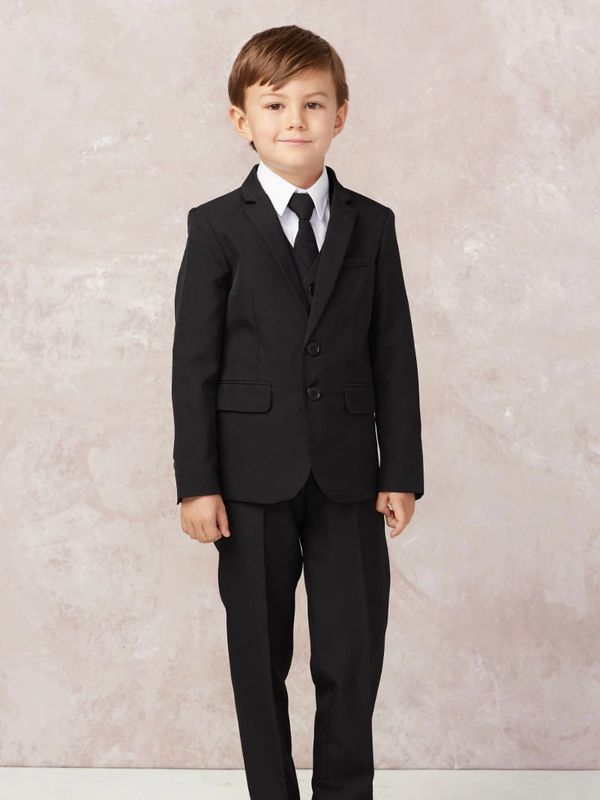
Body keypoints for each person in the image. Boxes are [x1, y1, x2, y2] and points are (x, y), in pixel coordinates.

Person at [171, 23, 424, 800]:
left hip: (351, 474)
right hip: (247, 478)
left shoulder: (371, 224)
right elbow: (194, 363)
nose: (295, 120)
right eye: (275, 104)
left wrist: (402, 471)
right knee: (259, 651)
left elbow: (394, 354)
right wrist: (197, 482)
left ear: (341, 114)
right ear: (241, 119)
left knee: (352, 652)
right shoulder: (215, 226)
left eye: (314, 104)